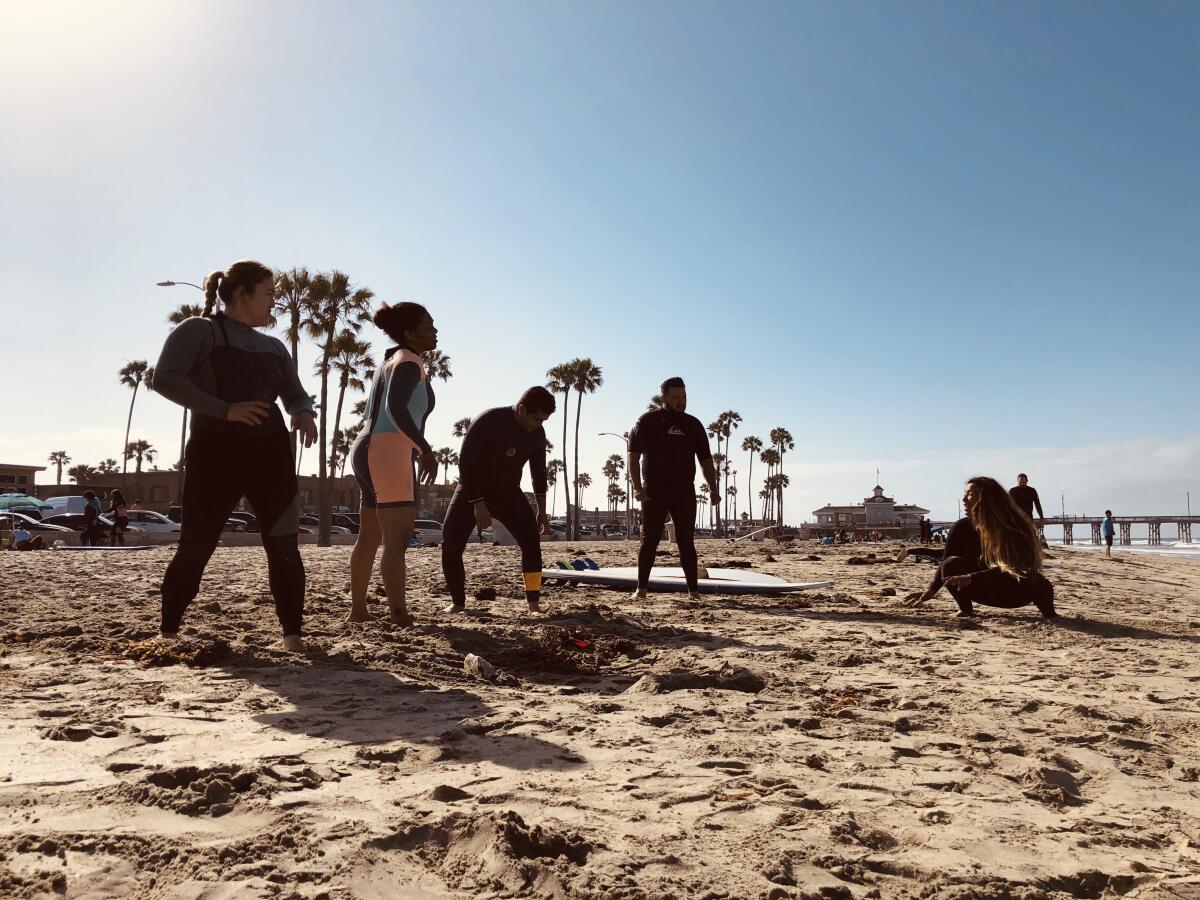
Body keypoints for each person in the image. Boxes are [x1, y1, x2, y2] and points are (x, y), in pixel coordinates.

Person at [153, 260, 317, 653]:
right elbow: (165, 378)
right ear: (241, 294)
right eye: (268, 293)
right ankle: (168, 632)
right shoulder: (200, 330)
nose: (273, 301)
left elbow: (294, 392)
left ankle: (292, 636)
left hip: (271, 452)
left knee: (284, 545)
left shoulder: (274, 347)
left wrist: (303, 412)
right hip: (216, 451)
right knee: (196, 543)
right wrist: (225, 409)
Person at [348, 302, 439, 626]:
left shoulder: (390, 360)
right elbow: (396, 408)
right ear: (410, 334)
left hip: (367, 447)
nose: (435, 331)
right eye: (428, 327)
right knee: (396, 539)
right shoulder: (408, 362)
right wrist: (424, 448)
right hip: (389, 452)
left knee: (370, 536)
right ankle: (398, 612)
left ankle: (359, 611)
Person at [440, 387, 556, 614]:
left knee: (531, 541)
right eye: (536, 418)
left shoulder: (537, 434)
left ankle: (533, 603)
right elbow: (465, 464)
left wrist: (541, 511)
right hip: (471, 489)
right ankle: (458, 603)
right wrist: (478, 504)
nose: (539, 424)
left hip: (508, 493)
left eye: (544, 420)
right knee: (450, 543)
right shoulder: (488, 421)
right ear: (522, 409)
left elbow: (539, 473)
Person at [904, 476, 1056, 619]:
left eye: (970, 494)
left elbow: (1017, 569)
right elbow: (946, 561)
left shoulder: (1015, 527)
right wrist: (931, 590)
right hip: (986, 590)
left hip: (1018, 592)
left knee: (1041, 584)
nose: (964, 500)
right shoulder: (962, 526)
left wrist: (971, 577)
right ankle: (965, 609)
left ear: (987, 499)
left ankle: (1050, 613)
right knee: (951, 563)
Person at [627, 377, 719, 600]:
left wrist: (713, 487)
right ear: (664, 398)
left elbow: (705, 459)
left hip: (683, 492)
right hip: (653, 492)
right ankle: (641, 590)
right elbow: (632, 457)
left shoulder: (693, 425)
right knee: (650, 541)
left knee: (686, 541)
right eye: (676, 397)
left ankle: (693, 592)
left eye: (684, 397)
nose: (682, 402)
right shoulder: (647, 421)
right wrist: (637, 487)